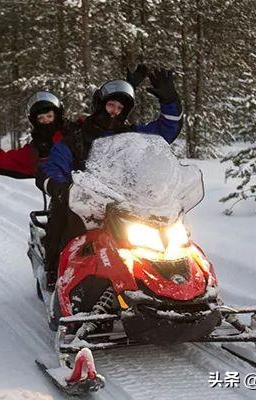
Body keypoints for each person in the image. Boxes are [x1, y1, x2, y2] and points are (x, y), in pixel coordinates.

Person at [37, 66, 183, 289]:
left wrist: (171, 101)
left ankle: (165, 278)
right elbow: (53, 166)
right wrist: (59, 186)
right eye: (110, 105)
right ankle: (54, 269)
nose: (114, 111)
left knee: (166, 235)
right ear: (100, 105)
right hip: (87, 203)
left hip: (126, 200)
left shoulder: (131, 135)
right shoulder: (76, 137)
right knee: (63, 216)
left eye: (120, 108)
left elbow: (165, 132)